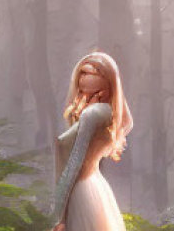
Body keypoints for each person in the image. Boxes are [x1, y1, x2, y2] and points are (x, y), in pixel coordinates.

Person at [53, 51, 133, 231]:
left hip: (80, 192)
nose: (84, 76)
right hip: (95, 186)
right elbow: (128, 122)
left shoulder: (92, 114)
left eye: (92, 72)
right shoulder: (105, 112)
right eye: (84, 72)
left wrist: (59, 215)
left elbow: (74, 163)